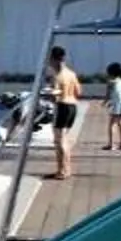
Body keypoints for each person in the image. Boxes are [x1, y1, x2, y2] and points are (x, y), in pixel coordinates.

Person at [44, 45, 84, 179]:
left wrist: (48, 93)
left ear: (54, 60)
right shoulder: (71, 74)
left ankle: (62, 171)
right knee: (64, 140)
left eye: (50, 60)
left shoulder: (57, 76)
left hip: (62, 107)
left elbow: (55, 95)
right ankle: (67, 169)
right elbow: (79, 92)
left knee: (59, 141)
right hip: (73, 106)